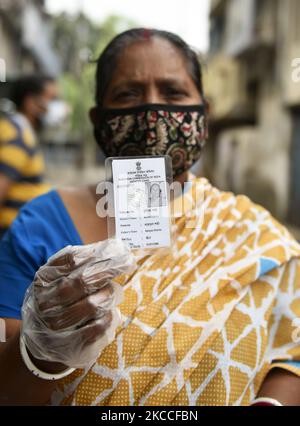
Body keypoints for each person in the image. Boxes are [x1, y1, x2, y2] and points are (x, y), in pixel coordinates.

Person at [0, 28, 300, 406]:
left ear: (203, 114)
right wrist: (42, 348)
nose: (153, 112)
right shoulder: (40, 224)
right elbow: (6, 389)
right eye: (128, 94)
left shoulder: (251, 234)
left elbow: (291, 351)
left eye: (173, 93)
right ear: (98, 118)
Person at [0, 75, 58, 237]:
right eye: (52, 98)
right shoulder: (17, 136)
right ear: (31, 102)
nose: (54, 105)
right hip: (9, 234)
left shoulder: (16, 129)